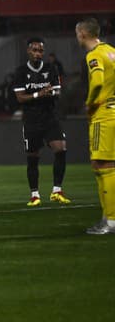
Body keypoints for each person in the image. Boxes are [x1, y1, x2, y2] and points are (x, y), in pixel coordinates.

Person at [13, 37, 70, 207]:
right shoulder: (21, 72)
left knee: (61, 148)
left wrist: (48, 94)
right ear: (28, 51)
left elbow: (57, 92)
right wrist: (39, 94)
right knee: (33, 157)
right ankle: (35, 195)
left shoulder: (51, 68)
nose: (38, 53)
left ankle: (57, 190)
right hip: (31, 119)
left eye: (41, 51)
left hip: (49, 116)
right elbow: (20, 97)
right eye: (34, 50)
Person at [75, 18, 115, 234]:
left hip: (103, 117)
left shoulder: (94, 55)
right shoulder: (111, 51)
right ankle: (108, 217)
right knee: (105, 166)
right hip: (114, 112)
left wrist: (91, 104)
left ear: (82, 34)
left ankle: (110, 221)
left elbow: (98, 82)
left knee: (103, 166)